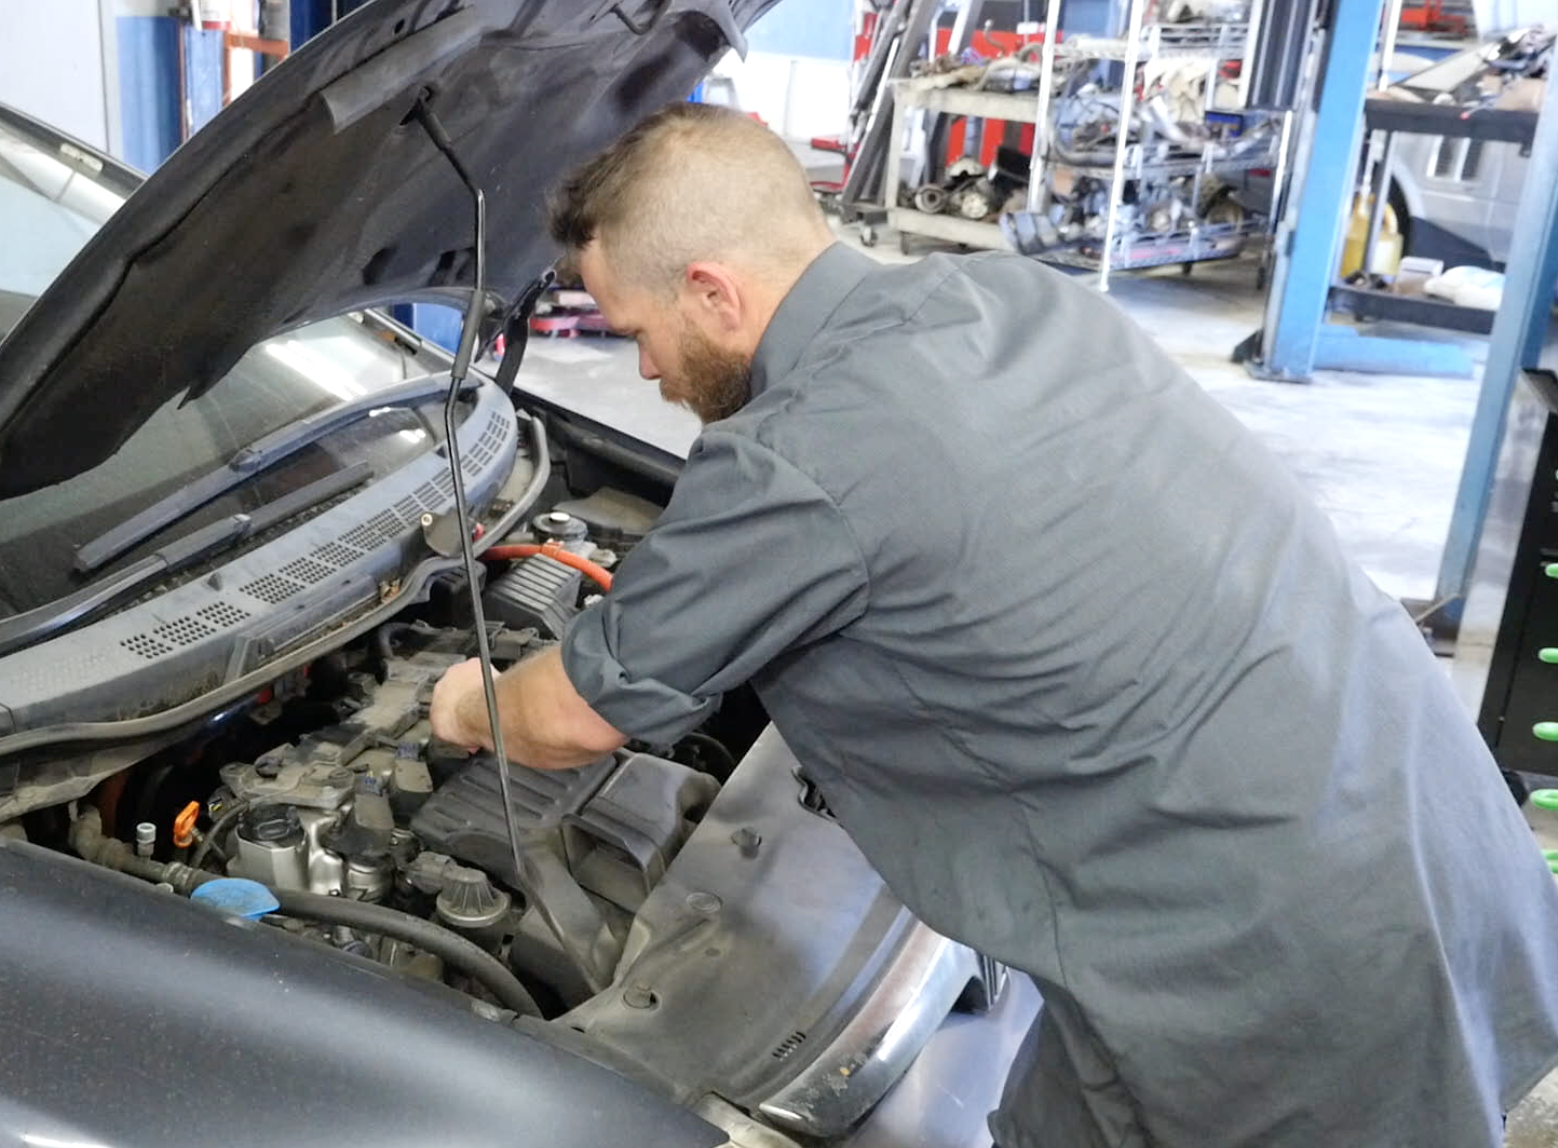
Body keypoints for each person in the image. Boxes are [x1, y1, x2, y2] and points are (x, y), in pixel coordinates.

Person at [427, 101, 1558, 1148]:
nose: (647, 369)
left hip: (1270, 959)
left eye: (639, 330)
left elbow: (573, 714)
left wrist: (463, 702)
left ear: (715, 293)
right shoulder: (1011, 298)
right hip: (1421, 818)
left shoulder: (797, 454)